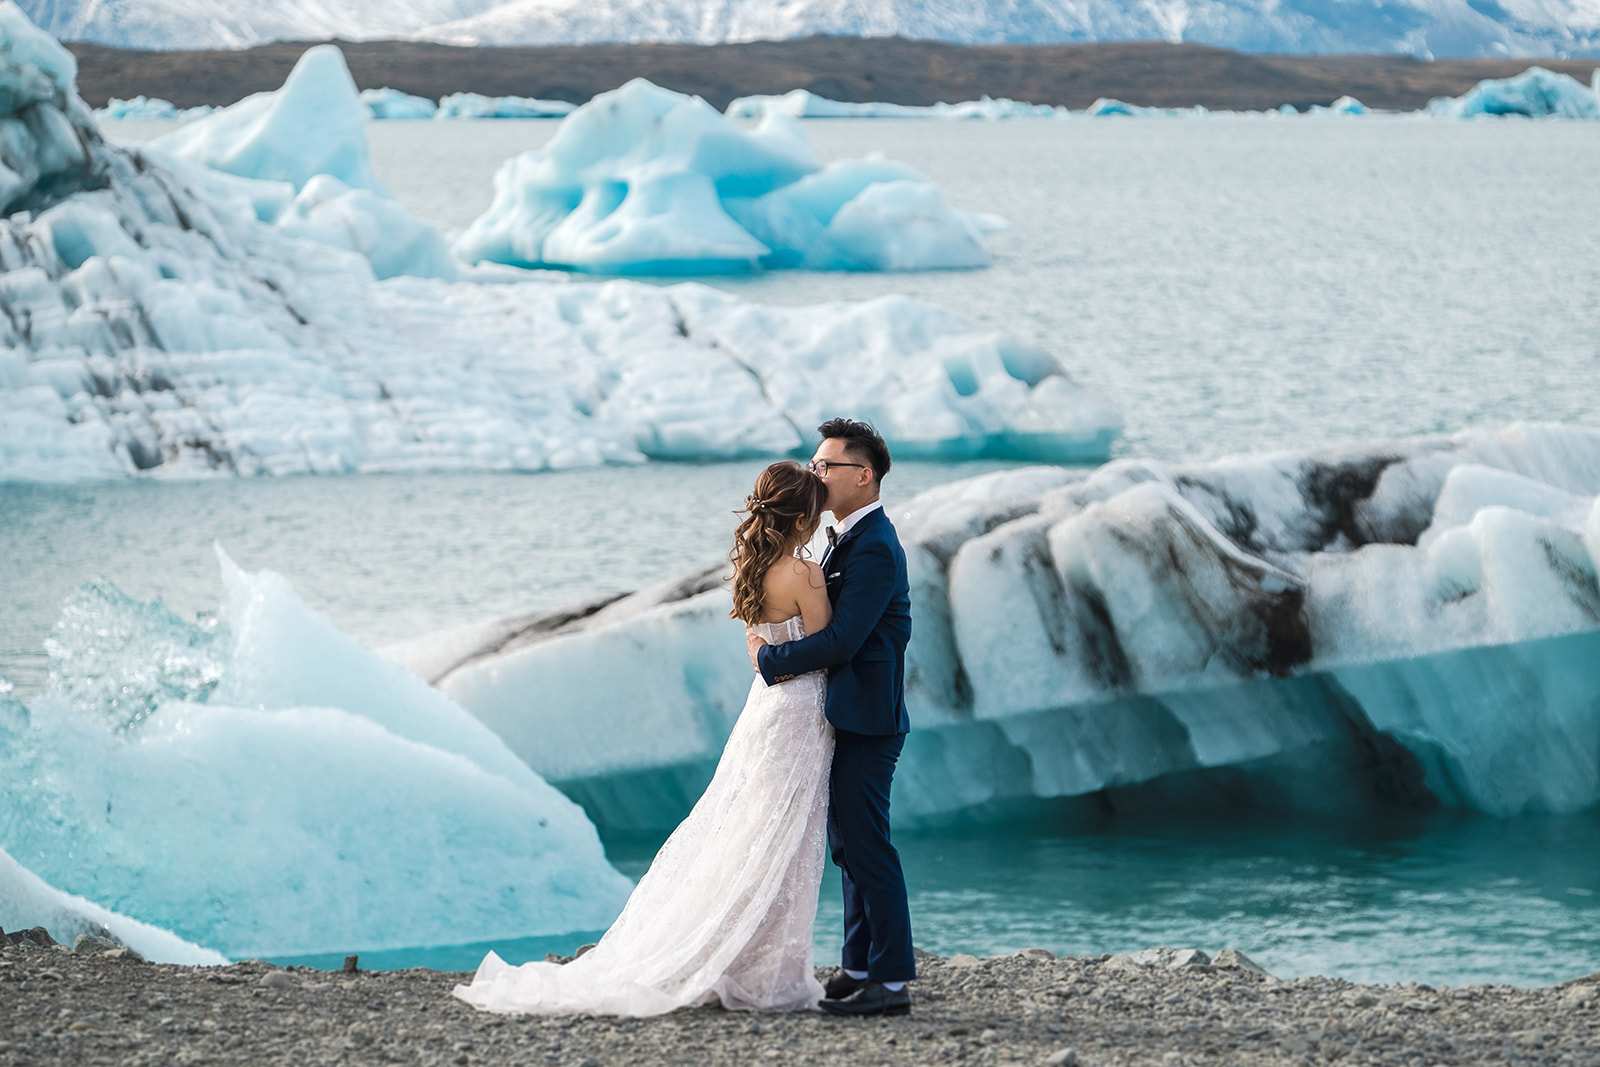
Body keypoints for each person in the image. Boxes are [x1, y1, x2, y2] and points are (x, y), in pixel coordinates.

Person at [454, 460, 834, 1016]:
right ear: (801, 515)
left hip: (764, 710)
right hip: (801, 710)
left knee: (750, 834)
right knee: (787, 840)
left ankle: (735, 955)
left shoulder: (751, 571)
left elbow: (759, 646)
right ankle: (766, 969)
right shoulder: (804, 574)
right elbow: (828, 646)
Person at [747, 418, 915, 1018]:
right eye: (813, 466)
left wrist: (772, 658)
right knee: (848, 846)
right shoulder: (844, 537)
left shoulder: (873, 546)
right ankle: (859, 965)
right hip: (843, 713)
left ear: (862, 476)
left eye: (826, 467)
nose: (815, 475)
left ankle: (891, 983)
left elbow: (843, 641)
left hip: (868, 718)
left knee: (868, 847)